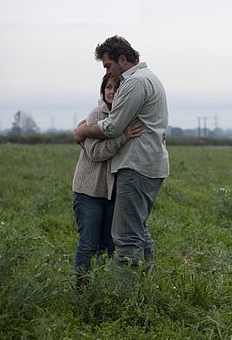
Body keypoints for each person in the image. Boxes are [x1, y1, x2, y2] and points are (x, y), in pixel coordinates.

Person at [73, 35, 169, 267]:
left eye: (108, 65)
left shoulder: (135, 82)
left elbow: (112, 126)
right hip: (149, 165)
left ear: (122, 59)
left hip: (135, 165)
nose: (108, 72)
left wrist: (83, 131)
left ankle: (124, 295)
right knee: (138, 229)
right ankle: (147, 280)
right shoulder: (149, 78)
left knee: (126, 238)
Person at [72, 74, 142, 285]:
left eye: (116, 88)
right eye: (108, 87)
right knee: (88, 244)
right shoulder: (96, 114)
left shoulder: (126, 117)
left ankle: (103, 287)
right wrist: (123, 137)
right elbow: (94, 151)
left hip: (113, 192)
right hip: (89, 191)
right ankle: (83, 289)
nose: (111, 91)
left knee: (109, 245)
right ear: (103, 91)